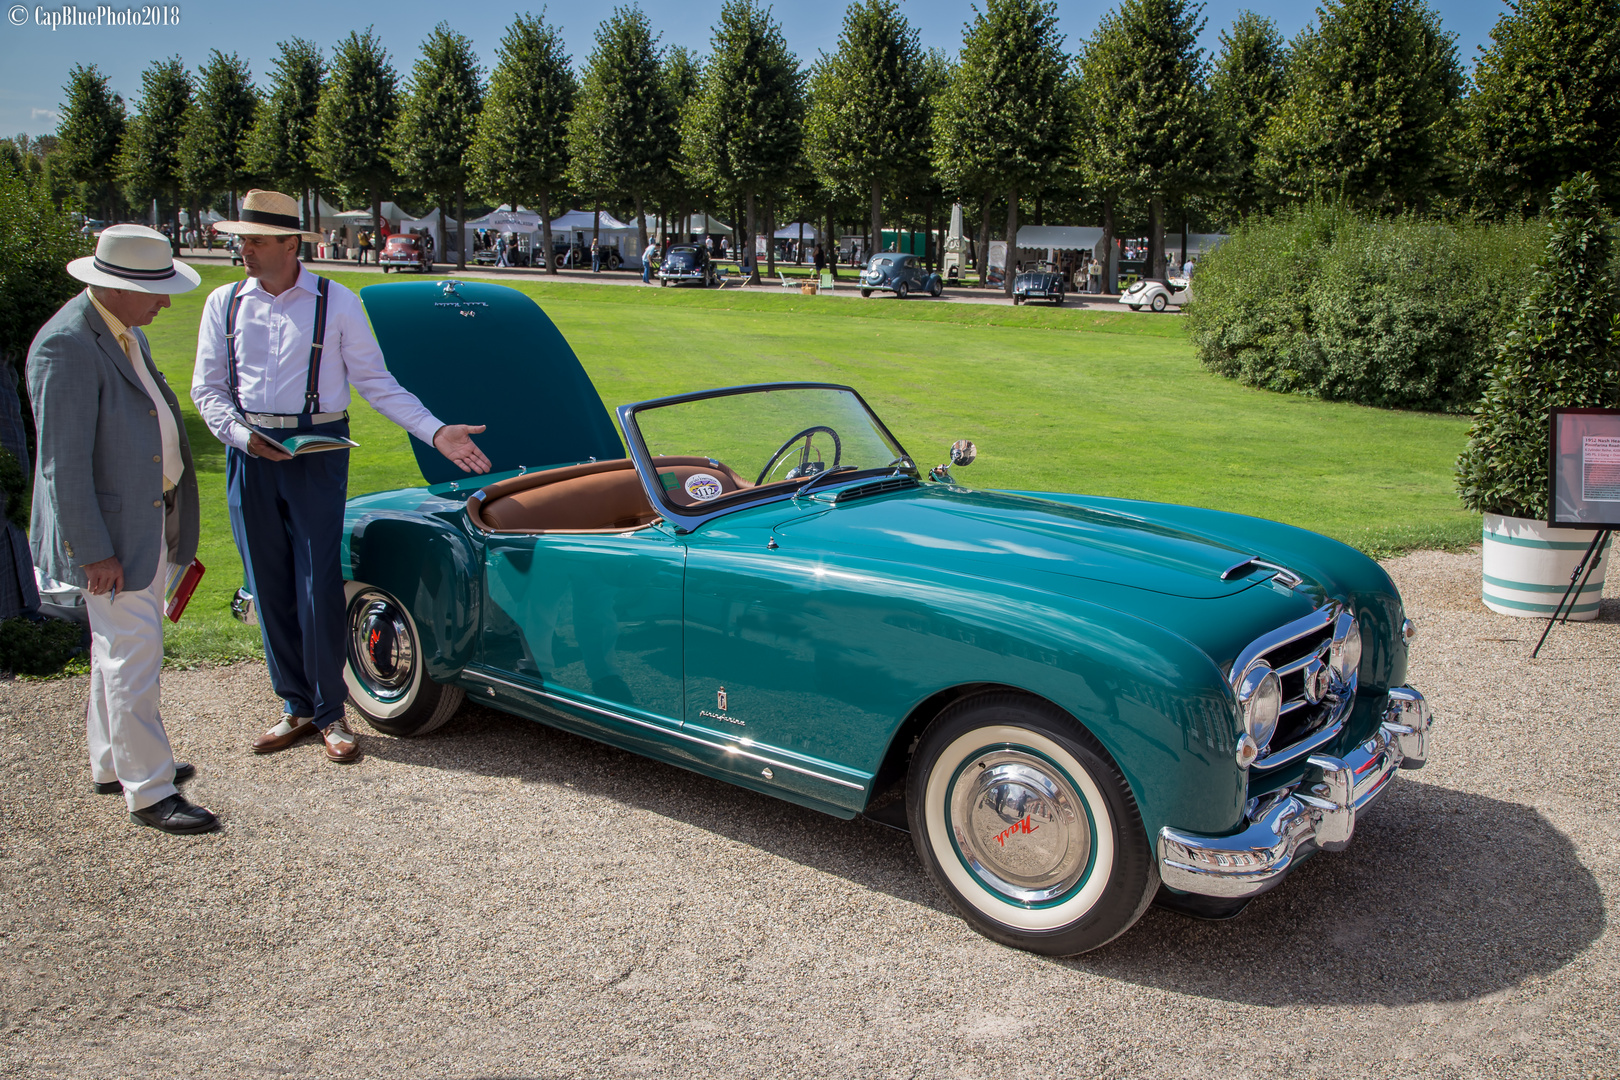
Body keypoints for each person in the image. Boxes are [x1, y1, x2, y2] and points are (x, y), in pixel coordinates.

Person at [194, 191, 493, 764]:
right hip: (247, 449)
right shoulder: (223, 303)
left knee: (317, 582)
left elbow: (376, 384)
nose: (244, 249)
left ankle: (331, 713)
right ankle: (295, 707)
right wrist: (240, 436)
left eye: (255, 240)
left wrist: (435, 432)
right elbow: (206, 389)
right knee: (267, 579)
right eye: (241, 239)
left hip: (318, 453)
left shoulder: (337, 302)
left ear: (289, 244)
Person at [27, 226, 217, 834]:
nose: (165, 303)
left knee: (115, 650)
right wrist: (94, 551)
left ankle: (114, 763)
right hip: (112, 537)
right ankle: (150, 789)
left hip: (141, 520)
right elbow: (62, 463)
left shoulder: (120, 331)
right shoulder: (67, 346)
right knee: (132, 655)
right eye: (156, 290)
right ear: (114, 285)